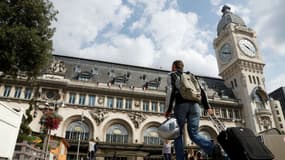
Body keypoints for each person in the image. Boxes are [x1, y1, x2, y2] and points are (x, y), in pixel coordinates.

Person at [165, 60, 223, 160]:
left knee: (178, 134)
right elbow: (202, 91)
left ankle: (180, 158)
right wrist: (207, 107)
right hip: (195, 106)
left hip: (181, 106)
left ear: (174, 67)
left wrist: (168, 109)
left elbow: (170, 91)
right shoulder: (191, 75)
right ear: (182, 67)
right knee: (194, 133)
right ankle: (212, 148)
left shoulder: (172, 75)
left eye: (172, 66)